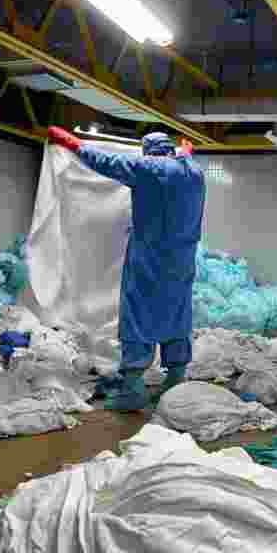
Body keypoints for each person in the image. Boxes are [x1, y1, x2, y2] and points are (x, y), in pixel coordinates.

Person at [47, 127, 206, 410]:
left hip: (149, 260)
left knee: (138, 314)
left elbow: (105, 162)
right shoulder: (194, 173)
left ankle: (132, 389)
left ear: (148, 151)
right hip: (181, 261)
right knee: (177, 312)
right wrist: (185, 153)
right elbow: (182, 160)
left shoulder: (147, 168)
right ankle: (175, 380)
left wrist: (74, 145)